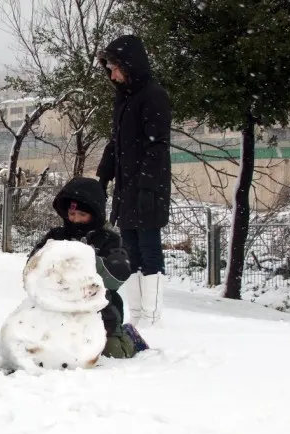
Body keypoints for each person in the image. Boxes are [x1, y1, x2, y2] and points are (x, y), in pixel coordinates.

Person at [96, 35, 172, 328]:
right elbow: (115, 142)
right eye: (110, 69)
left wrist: (147, 186)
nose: (112, 75)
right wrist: (103, 177)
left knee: (149, 249)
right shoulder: (124, 99)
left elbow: (157, 146)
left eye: (115, 68)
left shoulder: (153, 96)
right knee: (131, 251)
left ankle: (152, 318)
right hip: (126, 188)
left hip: (148, 189)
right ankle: (138, 316)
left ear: (130, 65)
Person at [28, 177, 149, 359]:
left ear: (95, 214)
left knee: (111, 352)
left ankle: (129, 338)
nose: (75, 219)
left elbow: (116, 277)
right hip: (57, 310)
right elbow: (33, 266)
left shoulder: (110, 240)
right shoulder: (56, 236)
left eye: (82, 215)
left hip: (100, 313)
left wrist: (82, 260)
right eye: (71, 214)